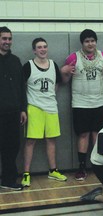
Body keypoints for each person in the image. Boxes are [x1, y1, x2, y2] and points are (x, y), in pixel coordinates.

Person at [61, 29, 103, 181]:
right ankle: (82, 167)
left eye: (92, 40)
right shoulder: (74, 57)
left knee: (97, 135)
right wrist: (63, 72)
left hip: (100, 102)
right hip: (81, 103)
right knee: (83, 134)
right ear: (82, 43)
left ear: (96, 42)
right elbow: (65, 81)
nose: (90, 43)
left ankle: (100, 165)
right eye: (87, 41)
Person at [21, 38, 67, 187]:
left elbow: (57, 83)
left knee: (51, 140)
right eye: (39, 47)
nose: (42, 49)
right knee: (31, 141)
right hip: (34, 108)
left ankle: (53, 170)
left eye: (45, 47)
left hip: (51, 107)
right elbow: (21, 87)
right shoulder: (28, 66)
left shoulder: (53, 65)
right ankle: (26, 173)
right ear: (34, 50)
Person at [0, 26, 27, 191]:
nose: (7, 42)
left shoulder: (16, 60)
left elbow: (21, 87)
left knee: (12, 147)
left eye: (9, 39)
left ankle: (8, 180)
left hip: (13, 113)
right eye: (4, 38)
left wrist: (22, 109)